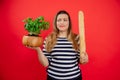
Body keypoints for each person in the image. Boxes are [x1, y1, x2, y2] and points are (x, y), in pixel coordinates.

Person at [29, 10, 88, 80]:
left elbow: (81, 61)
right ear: (56, 23)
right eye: (59, 20)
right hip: (53, 78)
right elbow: (45, 64)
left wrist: (85, 58)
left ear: (69, 23)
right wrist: (38, 49)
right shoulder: (49, 39)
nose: (61, 22)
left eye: (65, 20)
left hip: (74, 77)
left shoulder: (77, 38)